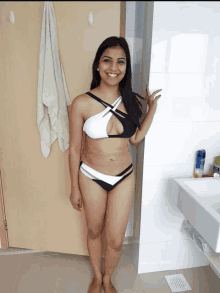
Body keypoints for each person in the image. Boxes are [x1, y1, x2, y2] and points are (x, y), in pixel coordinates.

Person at [69, 36, 161, 293]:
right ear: (98, 65)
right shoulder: (81, 103)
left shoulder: (131, 100)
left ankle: (108, 278)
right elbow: (75, 147)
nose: (114, 67)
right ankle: (97, 277)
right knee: (94, 229)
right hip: (90, 175)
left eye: (121, 62)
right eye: (107, 60)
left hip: (124, 176)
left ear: (126, 67)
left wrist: (151, 110)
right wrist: (74, 188)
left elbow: (134, 139)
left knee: (117, 240)